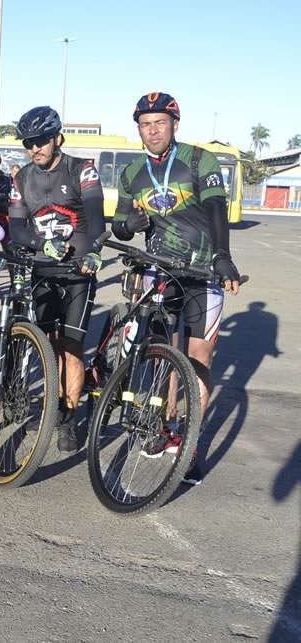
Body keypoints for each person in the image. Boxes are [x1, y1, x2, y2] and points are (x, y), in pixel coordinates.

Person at [112, 91, 242, 485]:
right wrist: (128, 226)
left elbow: (217, 209)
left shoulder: (199, 160)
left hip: (202, 271)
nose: (152, 131)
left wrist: (222, 256)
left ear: (174, 125)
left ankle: (191, 443)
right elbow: (119, 223)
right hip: (160, 270)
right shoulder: (132, 173)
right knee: (163, 354)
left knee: (198, 358)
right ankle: (162, 426)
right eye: (145, 125)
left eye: (160, 123)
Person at [8, 106, 105, 452]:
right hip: (42, 270)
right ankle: (53, 405)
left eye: (41, 141)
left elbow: (96, 220)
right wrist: (40, 245)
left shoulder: (82, 170)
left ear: (57, 138)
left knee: (72, 346)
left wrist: (94, 251)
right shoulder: (21, 179)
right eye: (28, 143)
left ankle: (69, 417)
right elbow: (16, 228)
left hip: (78, 271)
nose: (35, 148)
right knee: (48, 346)